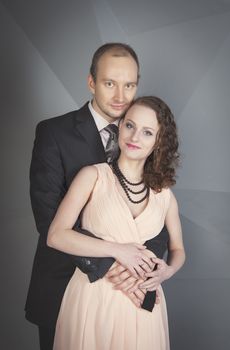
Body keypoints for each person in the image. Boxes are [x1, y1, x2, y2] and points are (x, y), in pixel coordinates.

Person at [26, 42, 161, 350]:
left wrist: (144, 269)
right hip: (64, 287)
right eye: (109, 83)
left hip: (131, 294)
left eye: (129, 85)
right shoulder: (53, 133)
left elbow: (157, 211)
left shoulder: (145, 135)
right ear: (91, 82)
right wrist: (114, 263)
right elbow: (48, 219)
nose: (120, 96)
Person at [47, 96, 186, 349]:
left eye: (147, 132)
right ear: (119, 126)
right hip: (93, 297)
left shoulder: (164, 194)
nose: (134, 138)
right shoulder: (92, 175)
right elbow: (56, 235)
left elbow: (178, 250)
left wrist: (168, 271)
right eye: (130, 126)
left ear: (158, 142)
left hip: (142, 300)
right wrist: (116, 249)